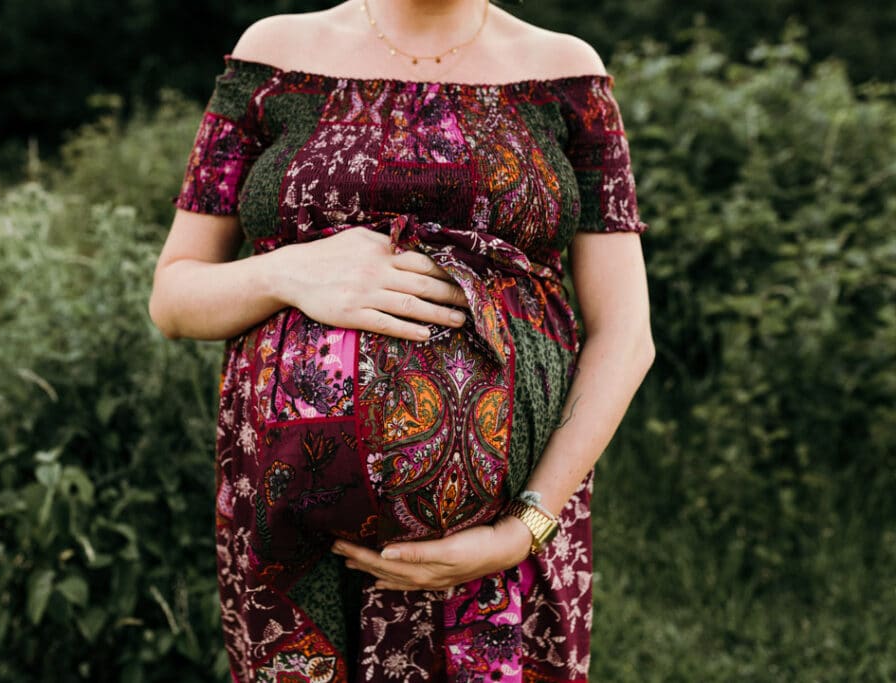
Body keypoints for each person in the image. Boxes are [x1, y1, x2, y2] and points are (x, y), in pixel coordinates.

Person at [148, 0, 655, 679]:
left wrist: (523, 528)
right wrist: (290, 271)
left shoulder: (567, 77)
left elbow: (626, 333)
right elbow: (174, 297)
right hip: (298, 554)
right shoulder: (273, 60)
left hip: (501, 547)